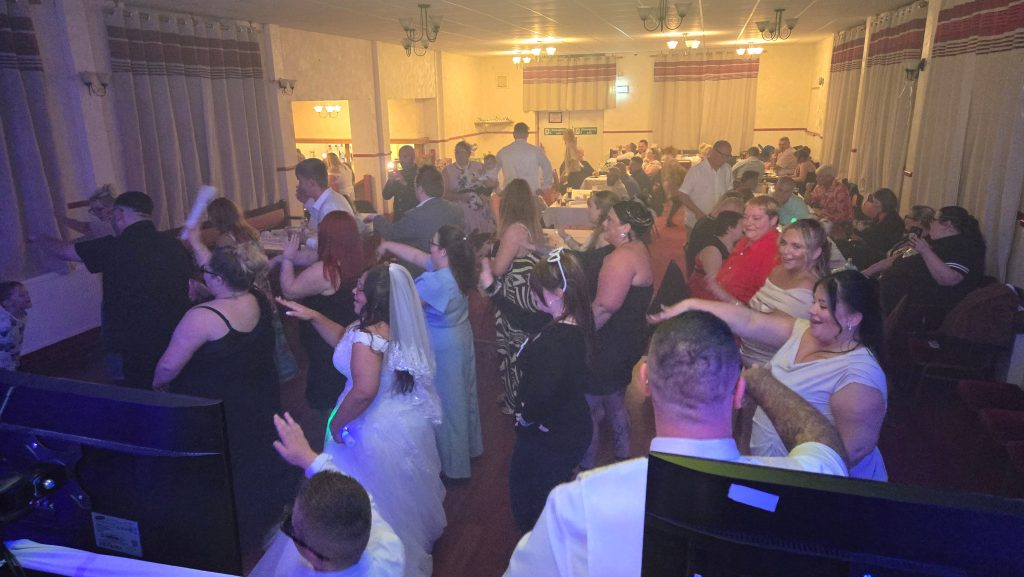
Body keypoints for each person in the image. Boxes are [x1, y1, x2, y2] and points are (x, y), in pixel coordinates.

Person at [504, 311, 849, 577]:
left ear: (645, 381)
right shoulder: (796, 490)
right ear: (739, 394)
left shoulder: (579, 503)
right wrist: (760, 379)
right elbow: (824, 444)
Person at [277, 263, 447, 577]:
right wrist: (313, 316)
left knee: (354, 501)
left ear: (375, 297)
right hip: (401, 418)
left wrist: (335, 424)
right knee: (398, 498)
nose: (353, 292)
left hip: (368, 427)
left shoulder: (369, 337)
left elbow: (363, 392)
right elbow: (344, 337)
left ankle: (349, 557)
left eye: (359, 289)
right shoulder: (389, 322)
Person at [654, 270, 887, 481]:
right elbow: (749, 320)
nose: (811, 310)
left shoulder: (859, 380)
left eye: (823, 306)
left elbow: (841, 459)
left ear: (853, 318)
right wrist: (691, 305)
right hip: (775, 468)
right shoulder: (803, 330)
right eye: (814, 301)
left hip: (808, 485)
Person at [153, 243, 296, 551]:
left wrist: (157, 385)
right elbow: (229, 299)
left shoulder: (201, 317)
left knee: (224, 468)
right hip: (258, 395)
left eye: (207, 273)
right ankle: (263, 520)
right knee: (254, 459)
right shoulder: (256, 295)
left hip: (222, 406)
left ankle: (225, 532)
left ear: (218, 278)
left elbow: (168, 366)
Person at [39, 191, 193, 388]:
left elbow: (61, 251)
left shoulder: (114, 247)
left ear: (119, 214)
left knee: (141, 386)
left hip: (136, 336)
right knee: (177, 381)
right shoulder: (174, 244)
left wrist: (39, 237)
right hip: (176, 328)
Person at [377, 225, 483, 480]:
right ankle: (470, 448)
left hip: (443, 345)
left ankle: (455, 468)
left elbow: (403, 304)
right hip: (461, 336)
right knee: (464, 394)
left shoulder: (436, 282)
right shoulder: (458, 269)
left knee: (446, 402)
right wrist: (388, 245)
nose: (429, 249)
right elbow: (416, 256)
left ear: (443, 251)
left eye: (433, 245)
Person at [251, 412, 404, 577]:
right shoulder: (390, 550)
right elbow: (361, 497)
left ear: (311, 554)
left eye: (291, 527)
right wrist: (308, 457)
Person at [509, 249, 596, 531]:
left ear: (558, 292)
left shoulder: (554, 344)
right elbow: (529, 320)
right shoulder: (577, 319)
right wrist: (493, 288)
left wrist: (526, 420)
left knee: (529, 501)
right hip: (573, 423)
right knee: (551, 491)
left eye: (538, 291)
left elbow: (542, 395)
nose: (534, 296)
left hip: (553, 433)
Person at [582, 201, 655, 470]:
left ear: (626, 227)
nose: (604, 224)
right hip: (628, 339)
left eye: (610, 220)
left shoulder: (621, 257)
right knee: (614, 400)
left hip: (610, 344)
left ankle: (586, 467)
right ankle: (622, 455)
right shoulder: (638, 249)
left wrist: (579, 335)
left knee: (588, 407)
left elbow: (604, 308)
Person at [280, 211, 364, 410]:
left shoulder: (327, 270)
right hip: (344, 331)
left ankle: (327, 431)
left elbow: (289, 291)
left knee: (325, 395)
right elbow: (310, 259)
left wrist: (286, 259)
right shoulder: (353, 260)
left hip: (325, 342)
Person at [481, 179, 550, 414]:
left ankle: (515, 403)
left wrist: (485, 261)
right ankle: (516, 394)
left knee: (513, 349)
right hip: (527, 293)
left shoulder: (513, 230)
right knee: (524, 346)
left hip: (513, 296)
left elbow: (499, 268)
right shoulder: (530, 225)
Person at [739, 219, 830, 367]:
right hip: (745, 358)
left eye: (796, 246)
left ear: (816, 253)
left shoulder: (811, 288)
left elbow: (764, 329)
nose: (785, 251)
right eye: (783, 243)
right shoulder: (778, 271)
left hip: (772, 370)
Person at [873, 205, 986, 320]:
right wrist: (867, 272)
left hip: (925, 309)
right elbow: (899, 258)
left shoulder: (963, 246)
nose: (930, 224)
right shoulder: (934, 241)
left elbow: (949, 279)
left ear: (948, 225)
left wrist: (925, 251)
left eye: (934, 220)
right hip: (895, 298)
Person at [371, 166, 465, 277]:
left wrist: (376, 218)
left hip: (420, 275)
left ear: (420, 189)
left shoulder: (414, 216)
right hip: (452, 272)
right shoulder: (457, 210)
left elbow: (391, 234)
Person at [715, 195, 781, 305]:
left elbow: (765, 304)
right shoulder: (746, 240)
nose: (748, 223)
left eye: (756, 218)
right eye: (745, 217)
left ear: (773, 220)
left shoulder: (774, 251)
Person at [684, 210, 743, 302]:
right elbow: (715, 284)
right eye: (742, 225)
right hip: (704, 297)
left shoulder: (732, 246)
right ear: (730, 228)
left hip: (719, 293)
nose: (746, 228)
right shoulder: (712, 250)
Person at [840, 188, 905, 269]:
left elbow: (881, 242)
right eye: (873, 202)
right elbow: (873, 232)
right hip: (871, 248)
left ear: (885, 203)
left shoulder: (895, 221)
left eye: (876, 202)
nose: (873, 205)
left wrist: (861, 232)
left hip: (879, 256)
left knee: (844, 248)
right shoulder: (881, 215)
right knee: (843, 245)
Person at [295, 158, 365, 234]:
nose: (298, 186)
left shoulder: (329, 207)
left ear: (312, 183)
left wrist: (306, 240)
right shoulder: (329, 198)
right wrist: (306, 201)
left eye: (300, 181)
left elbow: (331, 242)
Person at [674, 139, 733, 228]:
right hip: (696, 221)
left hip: (718, 220)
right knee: (695, 242)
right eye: (721, 155)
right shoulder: (696, 171)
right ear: (712, 151)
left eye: (727, 156)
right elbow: (682, 194)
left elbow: (728, 192)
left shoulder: (727, 169)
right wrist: (698, 212)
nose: (724, 159)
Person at [442, 141, 495, 235]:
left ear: (469, 153)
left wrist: (487, 189)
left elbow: (490, 184)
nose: (460, 155)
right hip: (461, 211)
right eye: (457, 152)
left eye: (463, 152)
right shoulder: (447, 171)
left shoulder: (478, 166)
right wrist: (460, 197)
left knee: (484, 236)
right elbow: (444, 194)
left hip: (480, 209)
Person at [496, 122, 554, 195]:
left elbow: (493, 172)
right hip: (532, 192)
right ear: (527, 134)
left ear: (514, 134)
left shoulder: (503, 152)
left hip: (510, 194)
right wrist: (544, 188)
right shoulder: (535, 151)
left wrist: (498, 190)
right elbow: (547, 169)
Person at [0, 281, 31, 371]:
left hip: (11, 363)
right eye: (21, 295)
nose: (27, 297)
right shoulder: (4, 323)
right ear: (7, 303)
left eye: (27, 293)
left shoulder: (22, 314)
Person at [383, 145, 419, 221]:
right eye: (400, 157)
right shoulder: (399, 174)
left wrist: (404, 183)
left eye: (405, 157)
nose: (401, 160)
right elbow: (386, 196)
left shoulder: (420, 174)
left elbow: (418, 198)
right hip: (398, 218)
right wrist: (390, 181)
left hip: (414, 219)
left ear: (413, 158)